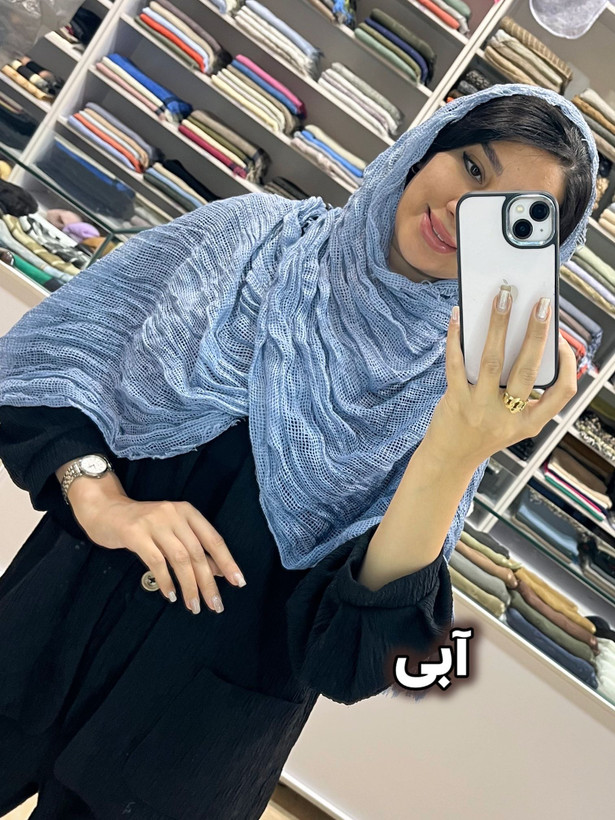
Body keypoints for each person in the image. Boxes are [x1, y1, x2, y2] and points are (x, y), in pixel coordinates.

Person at [0, 84, 596, 818]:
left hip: (183, 750)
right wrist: (100, 497)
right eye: (472, 167)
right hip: (39, 636)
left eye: (508, 216)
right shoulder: (247, 239)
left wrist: (452, 453)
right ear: (425, 151)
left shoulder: (457, 390)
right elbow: (49, 367)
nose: (462, 211)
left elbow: (354, 654)